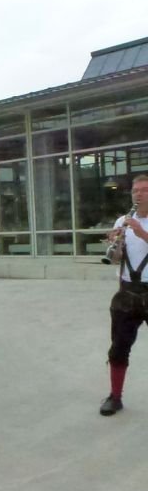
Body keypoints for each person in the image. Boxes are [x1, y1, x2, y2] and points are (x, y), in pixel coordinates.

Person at [100, 175, 148, 416]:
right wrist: (115, 245)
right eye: (135, 190)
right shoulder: (123, 220)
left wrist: (141, 232)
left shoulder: (135, 225)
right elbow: (117, 259)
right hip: (127, 290)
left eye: (144, 190)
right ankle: (115, 396)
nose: (138, 194)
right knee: (118, 347)